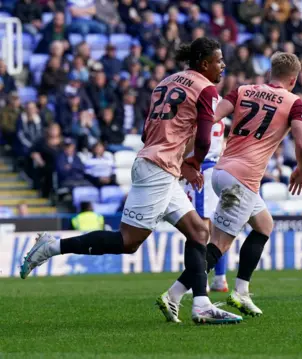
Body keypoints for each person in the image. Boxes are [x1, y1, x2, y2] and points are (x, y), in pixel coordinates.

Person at [19, 37, 242, 325]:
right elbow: (203, 136)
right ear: (204, 63)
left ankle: (195, 302)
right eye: (218, 61)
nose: (222, 66)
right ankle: (52, 246)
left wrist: (179, 161)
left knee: (199, 233)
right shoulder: (206, 89)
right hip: (159, 168)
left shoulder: (165, 83)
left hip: (155, 162)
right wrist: (194, 162)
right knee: (128, 241)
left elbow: (145, 134)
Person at [161, 51, 302, 319]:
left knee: (264, 225)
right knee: (218, 245)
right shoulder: (294, 102)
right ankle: (174, 294)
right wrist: (301, 168)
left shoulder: (243, 90)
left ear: (270, 72)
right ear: (294, 78)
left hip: (220, 171)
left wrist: (189, 155)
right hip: (244, 178)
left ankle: (241, 291)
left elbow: (210, 119)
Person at [182, 119, 229, 293]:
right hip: (217, 166)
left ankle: (200, 279)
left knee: (198, 227)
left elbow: (196, 135)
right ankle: (220, 278)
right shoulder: (220, 101)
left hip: (201, 166)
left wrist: (181, 161)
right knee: (217, 228)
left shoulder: (199, 102)